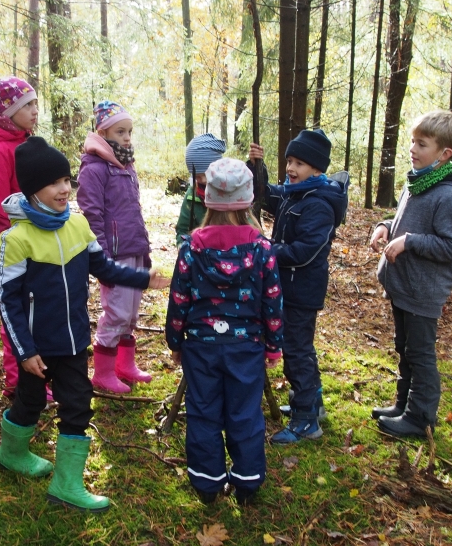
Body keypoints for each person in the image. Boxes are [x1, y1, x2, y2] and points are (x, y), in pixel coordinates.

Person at [0, 136, 169, 512]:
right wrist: (24, 352)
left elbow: (102, 267)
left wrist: (143, 279)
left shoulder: (77, 224)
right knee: (30, 401)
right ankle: (12, 452)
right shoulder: (15, 239)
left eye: (66, 180)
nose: (64, 189)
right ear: (31, 189)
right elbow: (7, 303)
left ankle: (67, 482)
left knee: (77, 404)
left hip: (73, 342)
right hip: (37, 348)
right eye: (53, 183)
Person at [165, 158, 283, 506]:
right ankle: (247, 480)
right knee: (245, 412)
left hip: (201, 347)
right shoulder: (262, 250)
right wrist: (274, 346)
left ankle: (207, 482)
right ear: (248, 201)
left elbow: (179, 299)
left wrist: (175, 340)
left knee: (203, 411)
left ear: (205, 198)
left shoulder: (191, 248)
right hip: (245, 347)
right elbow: (273, 303)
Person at [369, 110, 452, 439]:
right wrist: (385, 227)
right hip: (403, 285)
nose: (412, 148)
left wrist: (409, 242)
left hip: (423, 290)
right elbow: (402, 221)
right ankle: (403, 405)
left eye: (421, 144)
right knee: (404, 347)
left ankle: (420, 416)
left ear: (445, 154)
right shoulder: (416, 182)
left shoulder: (448, 195)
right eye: (412, 141)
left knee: (420, 353)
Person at [263, 129, 349, 445]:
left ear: (316, 169)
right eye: (289, 161)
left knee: (296, 350)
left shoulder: (319, 203)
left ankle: (306, 421)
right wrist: (257, 168)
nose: (290, 168)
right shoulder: (296, 193)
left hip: (302, 290)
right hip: (290, 287)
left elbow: (305, 250)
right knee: (300, 348)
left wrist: (267, 252)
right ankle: (314, 404)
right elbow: (268, 194)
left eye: (299, 162)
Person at [77, 101, 153, 394]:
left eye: (129, 131)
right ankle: (103, 372)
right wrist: (102, 257)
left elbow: (135, 211)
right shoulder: (95, 168)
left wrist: (144, 250)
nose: (127, 137)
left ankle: (124, 365)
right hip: (113, 254)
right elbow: (92, 215)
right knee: (117, 313)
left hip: (133, 248)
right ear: (103, 131)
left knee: (131, 313)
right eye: (121, 131)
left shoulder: (127, 165)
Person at [0, 76, 40, 400]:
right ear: (9, 110)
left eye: (35, 103)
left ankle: (37, 375)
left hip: (36, 242)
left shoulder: (25, 143)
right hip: (13, 247)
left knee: (37, 308)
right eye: (27, 105)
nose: (34, 111)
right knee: (15, 312)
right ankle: (18, 382)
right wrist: (8, 247)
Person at [176, 135, 267, 243]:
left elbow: (256, 188)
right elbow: (182, 229)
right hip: (202, 252)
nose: (202, 180)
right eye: (197, 176)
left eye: (205, 174)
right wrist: (184, 247)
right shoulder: (192, 195)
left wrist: (255, 166)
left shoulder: (233, 191)